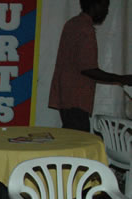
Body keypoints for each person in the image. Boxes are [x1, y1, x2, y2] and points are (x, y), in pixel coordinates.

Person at [49, 0, 132, 132]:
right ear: (95, 5)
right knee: (78, 143)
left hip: (66, 96)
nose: (106, 11)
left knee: (71, 139)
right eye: (105, 6)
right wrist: (122, 79)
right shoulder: (85, 29)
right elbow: (89, 69)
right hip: (77, 99)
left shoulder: (72, 23)